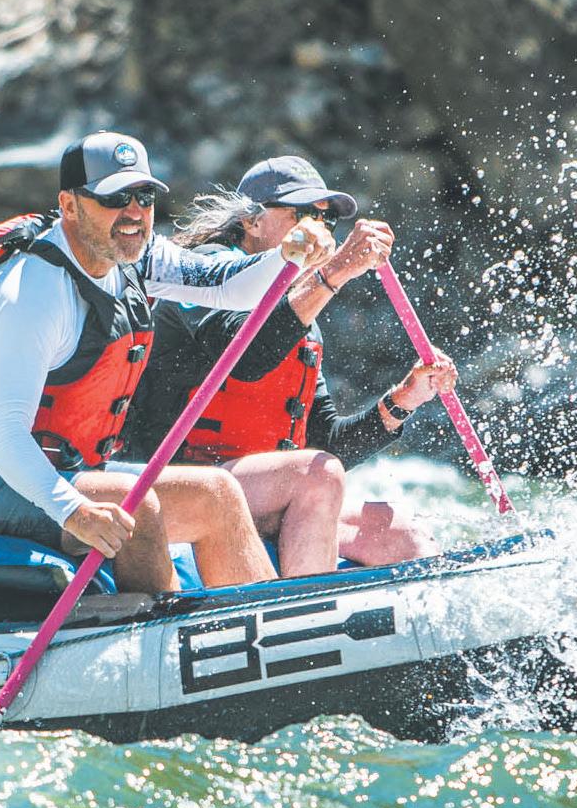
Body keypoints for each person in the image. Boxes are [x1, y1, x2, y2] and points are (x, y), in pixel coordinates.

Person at [0, 130, 333, 594]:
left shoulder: (134, 257)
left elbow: (228, 286)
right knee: (135, 505)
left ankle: (265, 621)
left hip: (45, 472)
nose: (134, 213)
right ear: (69, 205)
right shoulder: (33, 295)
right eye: (114, 198)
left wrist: (289, 254)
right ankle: (167, 625)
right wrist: (73, 512)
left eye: (144, 197)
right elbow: (3, 436)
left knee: (217, 493)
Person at [123, 155, 458, 573]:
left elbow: (324, 443)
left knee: (403, 533)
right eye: (304, 215)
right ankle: (306, 609)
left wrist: (404, 400)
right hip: (180, 488)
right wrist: (334, 273)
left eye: (326, 219)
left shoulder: (302, 313)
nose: (320, 230)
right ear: (252, 222)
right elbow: (245, 357)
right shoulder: (205, 273)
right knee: (316, 476)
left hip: (261, 492)